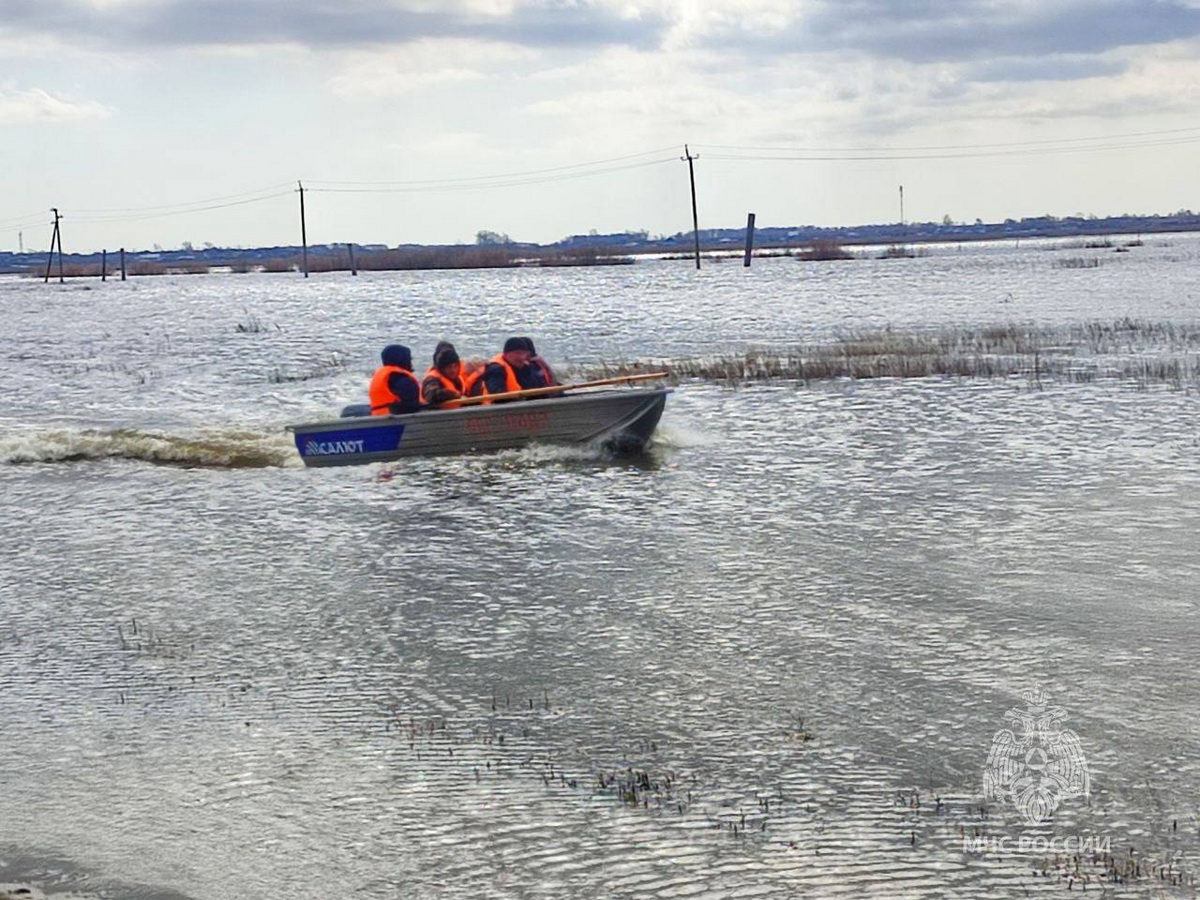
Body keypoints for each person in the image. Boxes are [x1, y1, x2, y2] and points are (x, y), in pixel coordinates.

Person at [464, 337, 528, 403]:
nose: (522, 357)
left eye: (524, 353)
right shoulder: (496, 369)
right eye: (518, 353)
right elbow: (498, 396)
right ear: (506, 354)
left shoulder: (523, 367)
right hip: (493, 410)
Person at [368, 344, 422, 415]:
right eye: (409, 359)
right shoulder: (401, 379)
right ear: (402, 360)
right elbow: (411, 406)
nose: (411, 364)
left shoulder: (384, 375)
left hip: (378, 416)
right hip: (394, 419)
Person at [422, 341, 464, 408]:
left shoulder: (457, 379)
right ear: (442, 368)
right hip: (438, 416)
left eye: (455, 366)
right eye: (449, 367)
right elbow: (432, 395)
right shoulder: (432, 379)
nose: (453, 370)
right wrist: (455, 395)